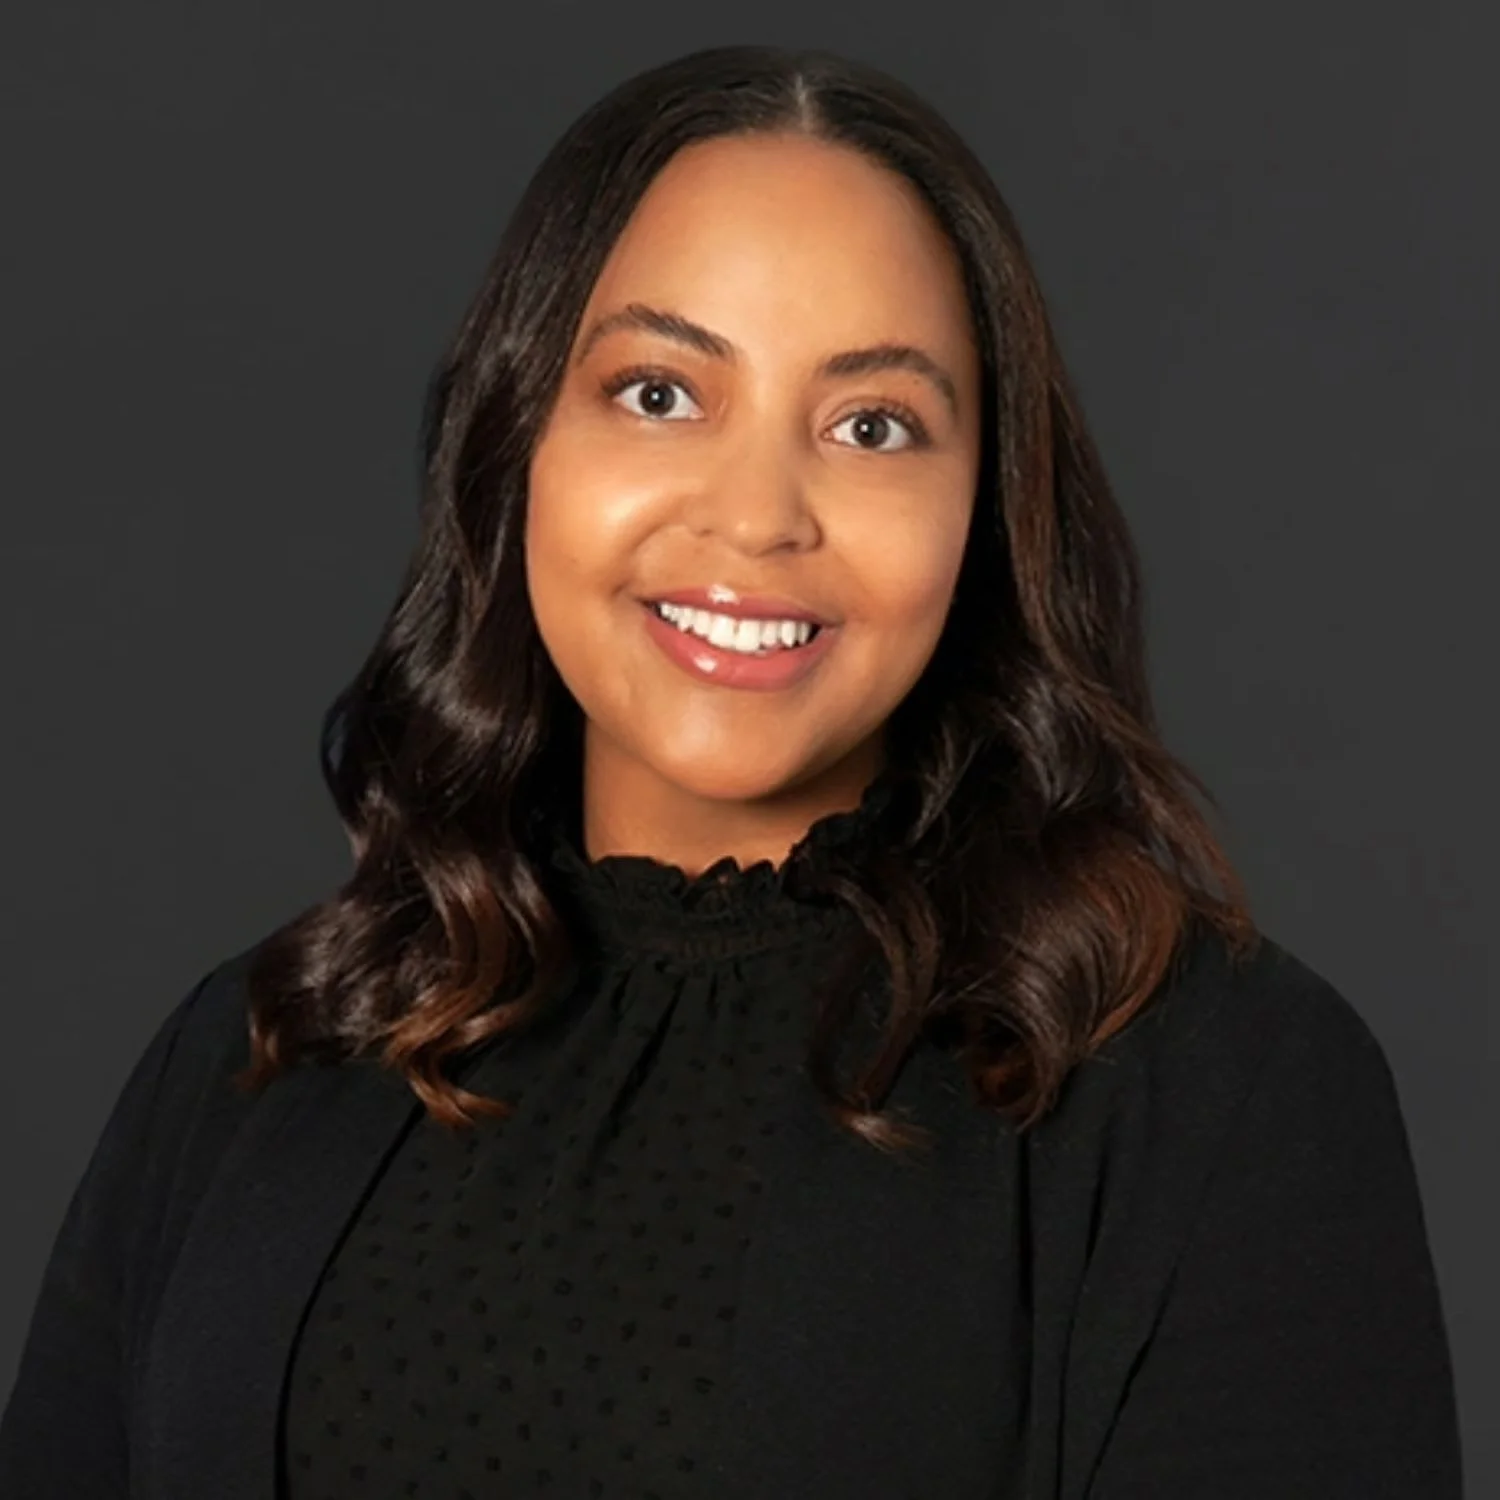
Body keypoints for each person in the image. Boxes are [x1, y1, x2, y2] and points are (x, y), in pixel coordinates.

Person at [0, 42, 1463, 1500]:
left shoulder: (1220, 1090)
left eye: (872, 425)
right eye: (658, 393)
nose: (759, 516)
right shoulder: (264, 1049)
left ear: (986, 515)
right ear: (516, 445)